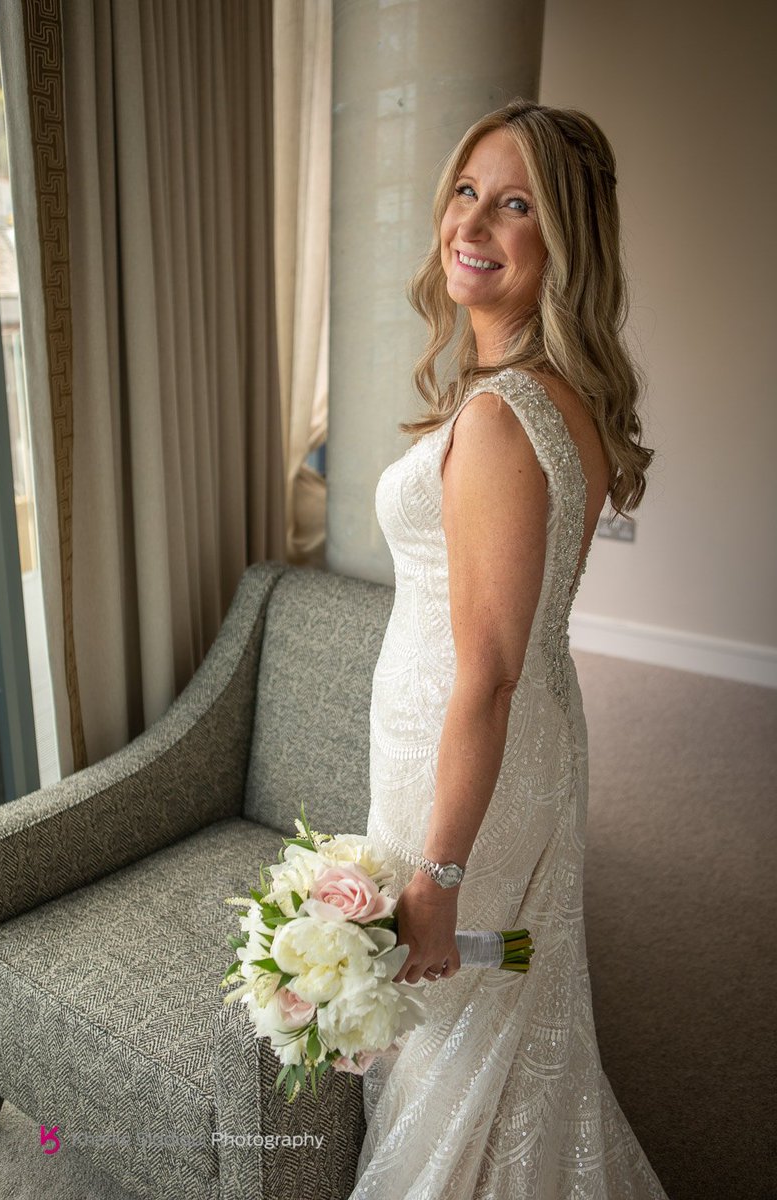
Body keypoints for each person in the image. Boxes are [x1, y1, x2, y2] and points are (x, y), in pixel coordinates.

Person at [351, 98, 669, 1199]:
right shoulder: (554, 397)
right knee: (498, 1014)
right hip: (526, 739)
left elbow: (481, 674)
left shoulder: (496, 421)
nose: (473, 221)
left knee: (454, 1023)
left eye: (516, 203)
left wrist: (435, 874)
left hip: (470, 755)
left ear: (561, 243)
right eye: (465, 191)